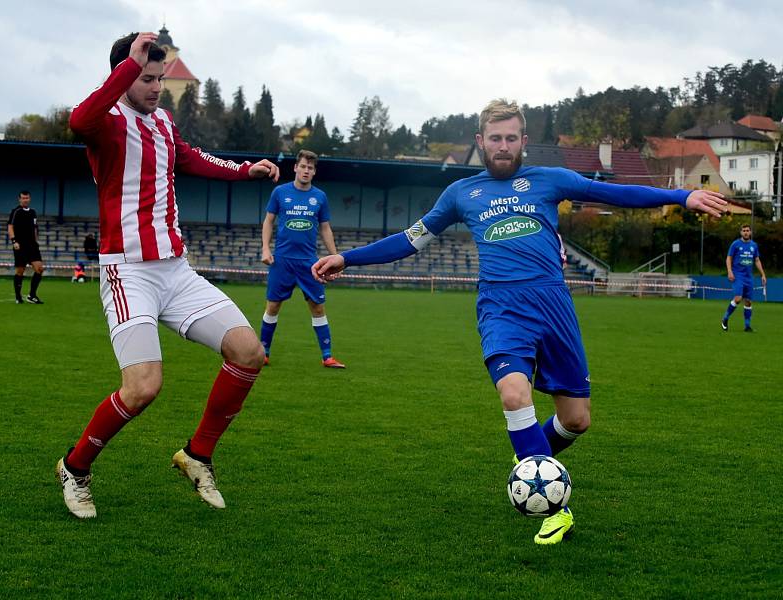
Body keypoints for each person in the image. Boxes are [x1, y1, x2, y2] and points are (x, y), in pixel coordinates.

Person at [313, 99, 727, 545]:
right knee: (514, 394)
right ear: (480, 142)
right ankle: (556, 510)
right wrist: (346, 258)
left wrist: (681, 195)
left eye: (512, 138)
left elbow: (616, 194)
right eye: (495, 139)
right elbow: (411, 240)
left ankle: (528, 461)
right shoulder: (461, 194)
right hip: (501, 307)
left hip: (554, 306)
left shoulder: (550, 180)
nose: (504, 146)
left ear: (524, 141)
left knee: (576, 420)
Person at [58, 31, 280, 519]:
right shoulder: (107, 122)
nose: (157, 87)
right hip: (128, 272)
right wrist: (126, 69)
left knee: (248, 352)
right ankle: (75, 468)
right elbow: (79, 120)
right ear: (124, 75)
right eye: (147, 77)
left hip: (176, 271)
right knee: (142, 388)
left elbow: (192, 157)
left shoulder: (162, 122)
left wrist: (247, 171)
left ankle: (197, 455)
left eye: (160, 77)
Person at [259, 149, 345, 368]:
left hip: (309, 262)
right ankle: (264, 352)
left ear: (314, 172)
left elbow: (325, 228)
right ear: (295, 168)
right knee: (273, 306)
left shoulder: (320, 197)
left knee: (318, 307)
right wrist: (265, 249)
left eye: (311, 168)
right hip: (282, 260)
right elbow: (269, 221)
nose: (306, 171)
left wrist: (336, 257)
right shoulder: (280, 192)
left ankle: (327, 357)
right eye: (303, 166)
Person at [721, 224, 766, 332]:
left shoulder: (754, 245)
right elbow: (728, 258)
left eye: (747, 230)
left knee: (748, 301)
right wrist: (730, 271)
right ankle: (725, 318)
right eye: (744, 230)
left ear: (750, 232)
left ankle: (747, 326)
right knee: (738, 298)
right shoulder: (735, 244)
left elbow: (757, 260)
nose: (746, 232)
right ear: (741, 232)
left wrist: (763, 274)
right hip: (738, 275)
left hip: (748, 277)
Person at [7, 190, 45, 304]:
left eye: (27, 198)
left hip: (32, 245)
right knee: (20, 271)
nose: (25, 200)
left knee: (39, 269)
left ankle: (32, 295)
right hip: (20, 245)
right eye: (23, 198)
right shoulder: (16, 211)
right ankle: (18, 296)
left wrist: (36, 240)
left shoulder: (33, 212)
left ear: (30, 199)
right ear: (19, 199)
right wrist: (14, 241)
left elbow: (34, 228)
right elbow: (10, 227)